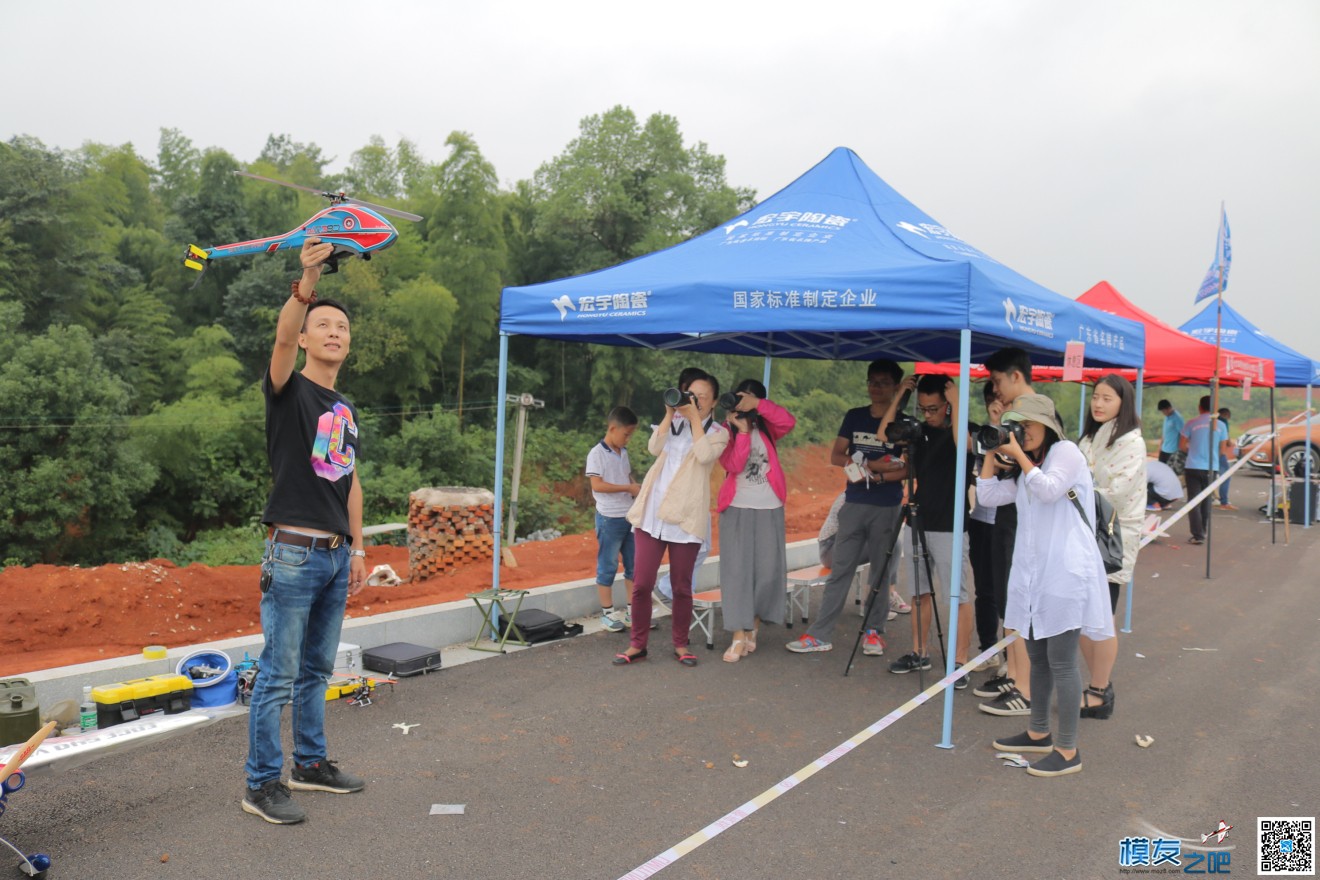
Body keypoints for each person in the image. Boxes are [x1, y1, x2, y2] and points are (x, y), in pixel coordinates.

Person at [243, 238, 367, 825]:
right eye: (325, 324)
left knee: (317, 670)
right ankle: (261, 783)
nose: (335, 332)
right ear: (309, 337)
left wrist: (359, 546)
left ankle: (310, 765)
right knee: (278, 675)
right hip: (292, 553)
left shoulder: (342, 406)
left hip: (336, 556)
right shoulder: (287, 389)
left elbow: (351, 480)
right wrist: (307, 281)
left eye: (342, 326)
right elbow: (282, 336)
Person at [978, 393, 1115, 777]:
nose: (1022, 432)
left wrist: (1019, 457)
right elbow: (987, 496)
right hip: (1035, 576)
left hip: (1066, 574)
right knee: (1037, 656)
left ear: (1048, 426)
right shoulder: (1028, 468)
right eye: (1016, 426)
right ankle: (1038, 732)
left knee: (1062, 661)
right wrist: (992, 449)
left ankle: (1069, 751)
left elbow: (1050, 489)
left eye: (1027, 426)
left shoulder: (1066, 453)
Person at [786, 359, 907, 656]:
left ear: (895, 388)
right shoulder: (854, 417)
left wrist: (877, 473)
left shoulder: (903, 424)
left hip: (887, 505)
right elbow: (836, 455)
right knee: (840, 570)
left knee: (880, 573)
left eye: (883, 382)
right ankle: (819, 634)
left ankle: (874, 633)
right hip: (853, 502)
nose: (875, 387)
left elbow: (905, 468)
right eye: (872, 381)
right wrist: (870, 464)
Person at [616, 370, 728, 667]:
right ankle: (637, 644)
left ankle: (680, 644)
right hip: (653, 513)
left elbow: (704, 457)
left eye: (703, 396)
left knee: (681, 586)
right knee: (641, 584)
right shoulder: (673, 424)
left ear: (714, 401)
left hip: (686, 516)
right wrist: (669, 414)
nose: (697, 400)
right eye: (692, 394)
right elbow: (653, 448)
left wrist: (693, 418)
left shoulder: (719, 432)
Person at [879, 374, 976, 686]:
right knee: (919, 593)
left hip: (951, 523)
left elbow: (965, 446)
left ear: (948, 405)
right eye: (923, 409)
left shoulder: (964, 429)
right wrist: (899, 396)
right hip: (918, 520)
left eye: (934, 408)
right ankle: (918, 652)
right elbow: (884, 434)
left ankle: (959, 662)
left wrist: (959, 401)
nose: (928, 414)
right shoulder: (917, 432)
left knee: (957, 596)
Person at [1076, 374, 1146, 720]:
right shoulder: (1090, 435)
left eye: (1107, 398)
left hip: (1110, 539)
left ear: (1123, 403)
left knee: (1100, 618)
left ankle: (1100, 691)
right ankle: (1097, 687)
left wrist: (1075, 487)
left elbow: (1114, 491)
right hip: (1085, 533)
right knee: (1083, 617)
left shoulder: (1131, 441)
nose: (1099, 404)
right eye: (1096, 397)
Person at [975, 347, 1037, 716]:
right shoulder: (1015, 413)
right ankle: (1013, 674)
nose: (995, 389)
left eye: (998, 381)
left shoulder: (1037, 413)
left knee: (1020, 602)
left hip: (1024, 522)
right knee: (1006, 598)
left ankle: (1025, 687)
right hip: (1008, 516)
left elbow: (1032, 467)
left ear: (1016, 376)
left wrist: (1007, 455)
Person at [716, 380, 796, 662]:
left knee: (767, 571)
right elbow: (733, 465)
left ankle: (755, 624)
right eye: (740, 399)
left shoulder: (769, 427)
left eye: (748, 400)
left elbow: (788, 421)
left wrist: (758, 406)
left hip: (770, 505)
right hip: (737, 507)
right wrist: (742, 432)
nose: (742, 405)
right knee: (737, 572)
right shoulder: (725, 430)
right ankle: (738, 634)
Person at [585, 406, 641, 633]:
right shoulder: (596, 454)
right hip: (609, 518)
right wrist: (628, 487)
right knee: (608, 565)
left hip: (628, 516)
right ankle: (607, 614)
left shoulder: (623, 453)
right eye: (626, 434)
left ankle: (632, 611)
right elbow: (596, 485)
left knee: (633, 565)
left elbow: (627, 476)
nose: (628, 439)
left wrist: (636, 489)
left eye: (630, 435)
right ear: (612, 428)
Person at [967, 381, 1003, 664]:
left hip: (1009, 522)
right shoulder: (979, 434)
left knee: (1010, 589)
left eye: (1001, 397)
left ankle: (1014, 657)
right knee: (985, 590)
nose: (997, 403)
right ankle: (988, 650)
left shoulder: (1023, 434)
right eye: (991, 398)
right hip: (981, 518)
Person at [1179, 395, 1231, 545]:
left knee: (1193, 502)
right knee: (1206, 501)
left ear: (1199, 407)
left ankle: (1197, 534)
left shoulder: (1191, 423)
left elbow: (1182, 446)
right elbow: (1222, 450)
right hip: (1211, 468)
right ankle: (1203, 530)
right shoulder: (1221, 425)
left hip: (1193, 466)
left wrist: (1193, 450)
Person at [1216, 407, 1237, 510]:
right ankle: (1224, 502)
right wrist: (1232, 443)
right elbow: (1226, 441)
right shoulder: (1223, 422)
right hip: (1218, 453)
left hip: (1206, 453)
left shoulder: (1212, 421)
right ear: (1226, 415)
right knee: (1225, 477)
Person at [1157, 400, 1184, 465]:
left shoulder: (1177, 418)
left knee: (1170, 472)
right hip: (1164, 449)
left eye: (1163, 411)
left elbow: (1183, 435)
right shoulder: (1166, 417)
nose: (1163, 413)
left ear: (1169, 408)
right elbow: (1165, 432)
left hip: (1173, 451)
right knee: (1161, 470)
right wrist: (1160, 446)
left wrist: (1181, 452)